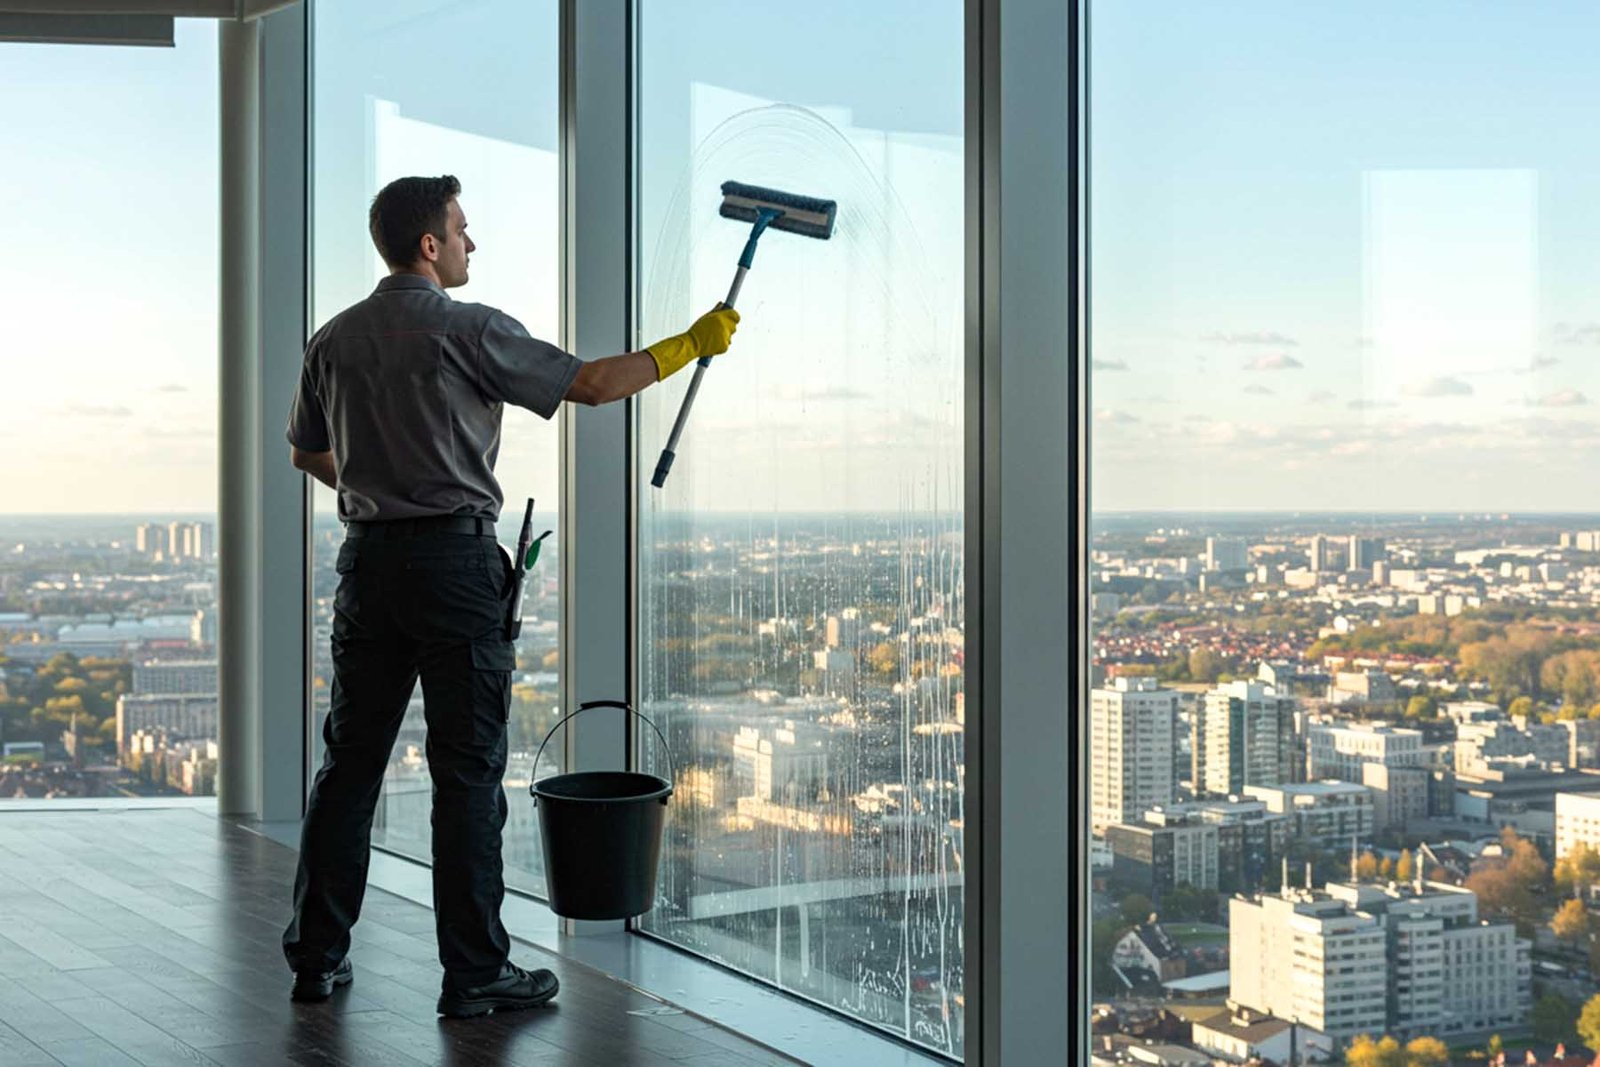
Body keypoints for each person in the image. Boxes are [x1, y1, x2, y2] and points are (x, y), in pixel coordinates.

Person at [280, 175, 738, 1018]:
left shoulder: (332, 339)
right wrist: (689, 343)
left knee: (348, 769)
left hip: (368, 567)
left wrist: (384, 479)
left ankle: (316, 957)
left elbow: (306, 451)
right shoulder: (469, 328)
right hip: (454, 572)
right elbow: (593, 385)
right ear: (429, 244)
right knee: (466, 776)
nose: (470, 243)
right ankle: (476, 972)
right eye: (461, 229)